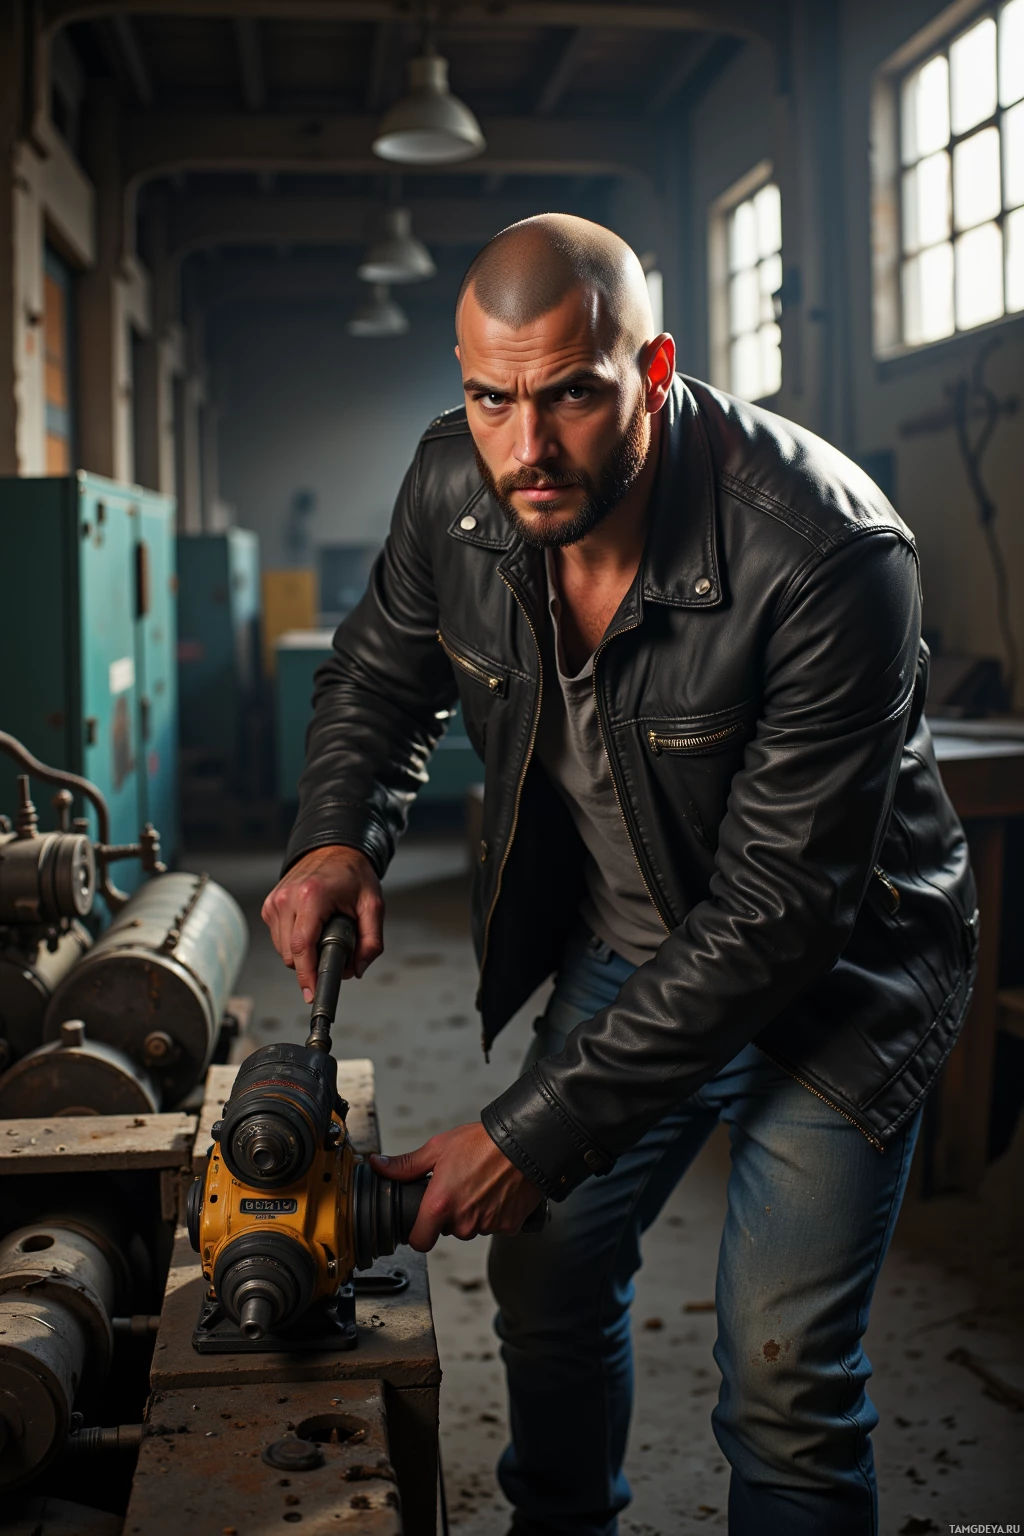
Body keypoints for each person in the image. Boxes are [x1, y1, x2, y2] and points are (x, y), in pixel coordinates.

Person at [263, 215, 977, 1536]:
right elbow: (378, 679)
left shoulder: (829, 553)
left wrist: (530, 1133)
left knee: (784, 1378)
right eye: (494, 399)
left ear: (652, 371)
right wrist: (334, 837)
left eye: (573, 396)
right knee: (546, 1284)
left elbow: (779, 915)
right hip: (629, 948)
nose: (527, 447)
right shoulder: (454, 485)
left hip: (836, 988)